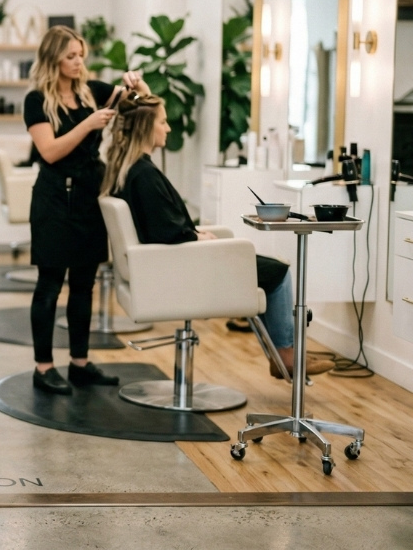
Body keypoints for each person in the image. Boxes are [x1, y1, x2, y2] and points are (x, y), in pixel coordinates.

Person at [101, 91, 335, 378]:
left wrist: (195, 233)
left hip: (163, 264)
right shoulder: (145, 174)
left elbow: (158, 225)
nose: (169, 128)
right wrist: (196, 238)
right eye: (163, 122)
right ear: (146, 127)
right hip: (177, 265)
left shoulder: (132, 169)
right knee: (278, 272)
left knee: (264, 269)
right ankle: (285, 356)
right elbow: (165, 231)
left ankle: (281, 354)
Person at [23, 25, 148, 396]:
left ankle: (79, 363)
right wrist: (89, 124)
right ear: (53, 60)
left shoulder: (92, 92)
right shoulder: (36, 100)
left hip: (90, 195)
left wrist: (137, 86)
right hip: (54, 199)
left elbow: (139, 103)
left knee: (84, 285)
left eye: (81, 55)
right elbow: (50, 151)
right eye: (71, 57)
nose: (79, 63)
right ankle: (43, 367)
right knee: (49, 285)